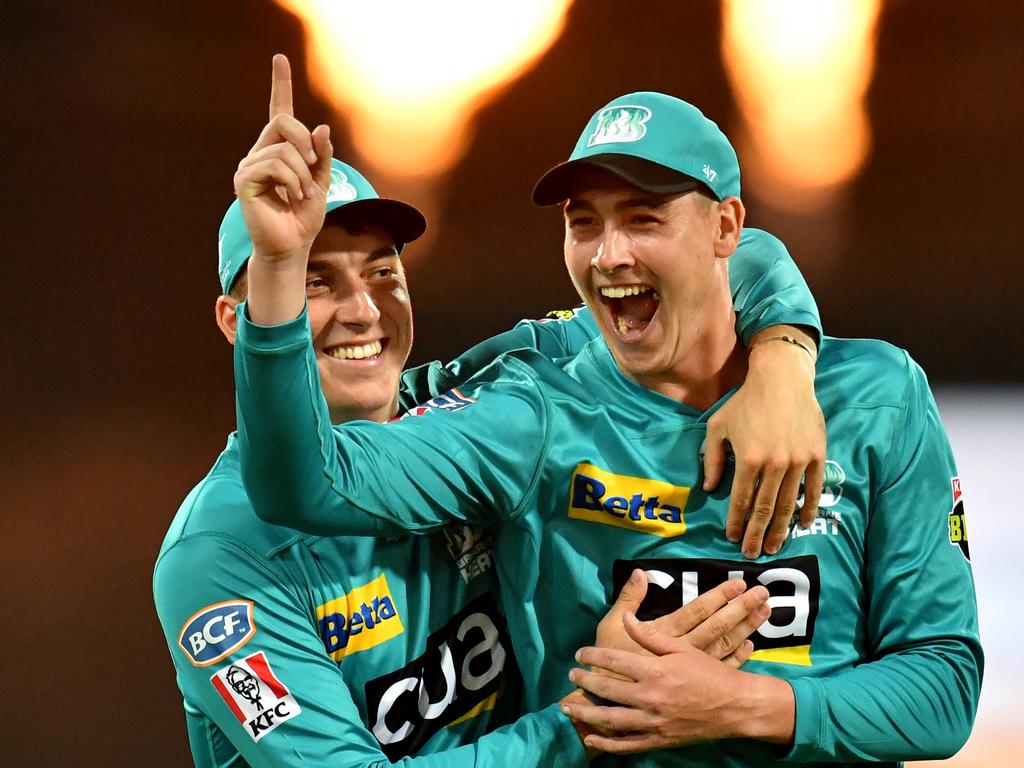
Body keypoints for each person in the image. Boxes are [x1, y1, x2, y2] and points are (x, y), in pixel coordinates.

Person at [233, 89, 983, 765]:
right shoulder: (531, 409)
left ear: (726, 228)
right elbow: (307, 482)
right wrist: (274, 268)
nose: (608, 255)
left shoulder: (877, 398)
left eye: (643, 219)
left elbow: (945, 690)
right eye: (583, 224)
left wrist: (738, 706)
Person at [154, 57, 831, 767]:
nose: (361, 310)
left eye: (383, 272)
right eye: (313, 280)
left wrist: (785, 359)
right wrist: (596, 715)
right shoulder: (218, 556)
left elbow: (718, 259)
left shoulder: (472, 408)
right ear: (241, 320)